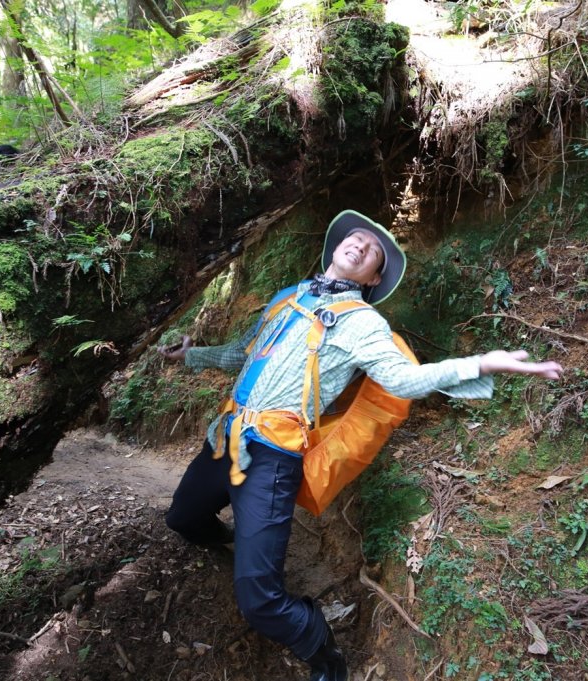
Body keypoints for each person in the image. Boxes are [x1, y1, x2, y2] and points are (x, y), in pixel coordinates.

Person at [158, 210, 563, 681]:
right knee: (181, 518)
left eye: (372, 250)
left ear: (373, 277)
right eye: (355, 237)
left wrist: (479, 364)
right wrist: (191, 355)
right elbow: (240, 353)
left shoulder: (363, 323)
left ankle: (322, 649)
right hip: (225, 437)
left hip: (273, 455)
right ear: (335, 248)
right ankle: (229, 538)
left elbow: (403, 379)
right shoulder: (286, 298)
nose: (360, 244)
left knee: (260, 602)